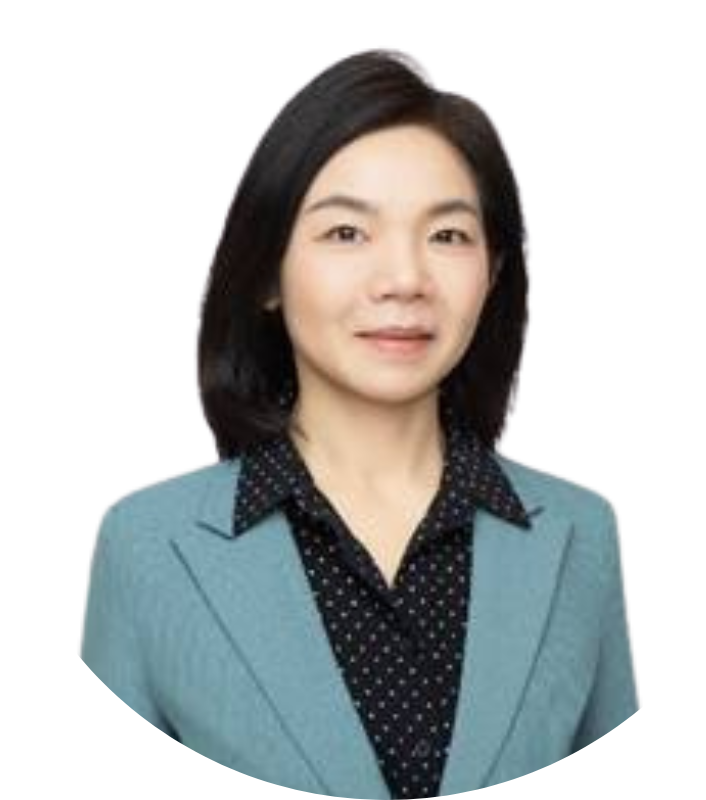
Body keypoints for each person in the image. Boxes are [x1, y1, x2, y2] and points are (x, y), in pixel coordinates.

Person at [78, 47, 639, 794]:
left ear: (493, 272)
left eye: (448, 235)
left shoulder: (584, 532)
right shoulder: (145, 545)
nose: (404, 279)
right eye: (347, 233)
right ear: (268, 272)